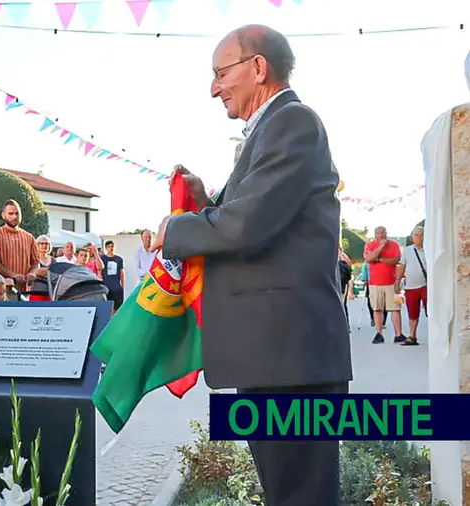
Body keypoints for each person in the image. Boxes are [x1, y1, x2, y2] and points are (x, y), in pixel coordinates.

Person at [157, 25, 352, 506]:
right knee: (288, 492)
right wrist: (206, 202)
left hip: (290, 359)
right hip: (277, 356)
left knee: (300, 495)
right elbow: (254, 215)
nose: (213, 87)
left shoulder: (293, 122)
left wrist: (174, 231)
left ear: (258, 68)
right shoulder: (271, 129)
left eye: (221, 73)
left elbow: (246, 226)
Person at [363, 226, 405, 343]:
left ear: (386, 233)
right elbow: (368, 258)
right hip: (375, 283)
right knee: (377, 308)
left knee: (396, 308)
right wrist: (380, 247)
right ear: (375, 234)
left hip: (392, 282)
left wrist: (380, 259)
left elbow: (396, 260)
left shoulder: (394, 245)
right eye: (378, 233)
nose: (381, 235)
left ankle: (398, 334)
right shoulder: (370, 245)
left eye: (383, 232)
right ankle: (379, 333)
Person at [396, 226, 426, 346]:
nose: (419, 237)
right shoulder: (408, 250)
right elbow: (402, 266)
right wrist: (397, 281)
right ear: (412, 237)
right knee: (412, 312)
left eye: (421, 235)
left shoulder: (429, 249)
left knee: (431, 310)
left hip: (426, 285)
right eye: (416, 235)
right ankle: (412, 336)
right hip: (411, 286)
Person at [101, 240, 125, 313]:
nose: (111, 248)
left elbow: (121, 272)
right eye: (109, 247)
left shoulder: (119, 259)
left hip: (116, 287)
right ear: (106, 248)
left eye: (112, 246)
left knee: (117, 307)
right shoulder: (103, 258)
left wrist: (122, 283)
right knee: (107, 308)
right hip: (107, 286)